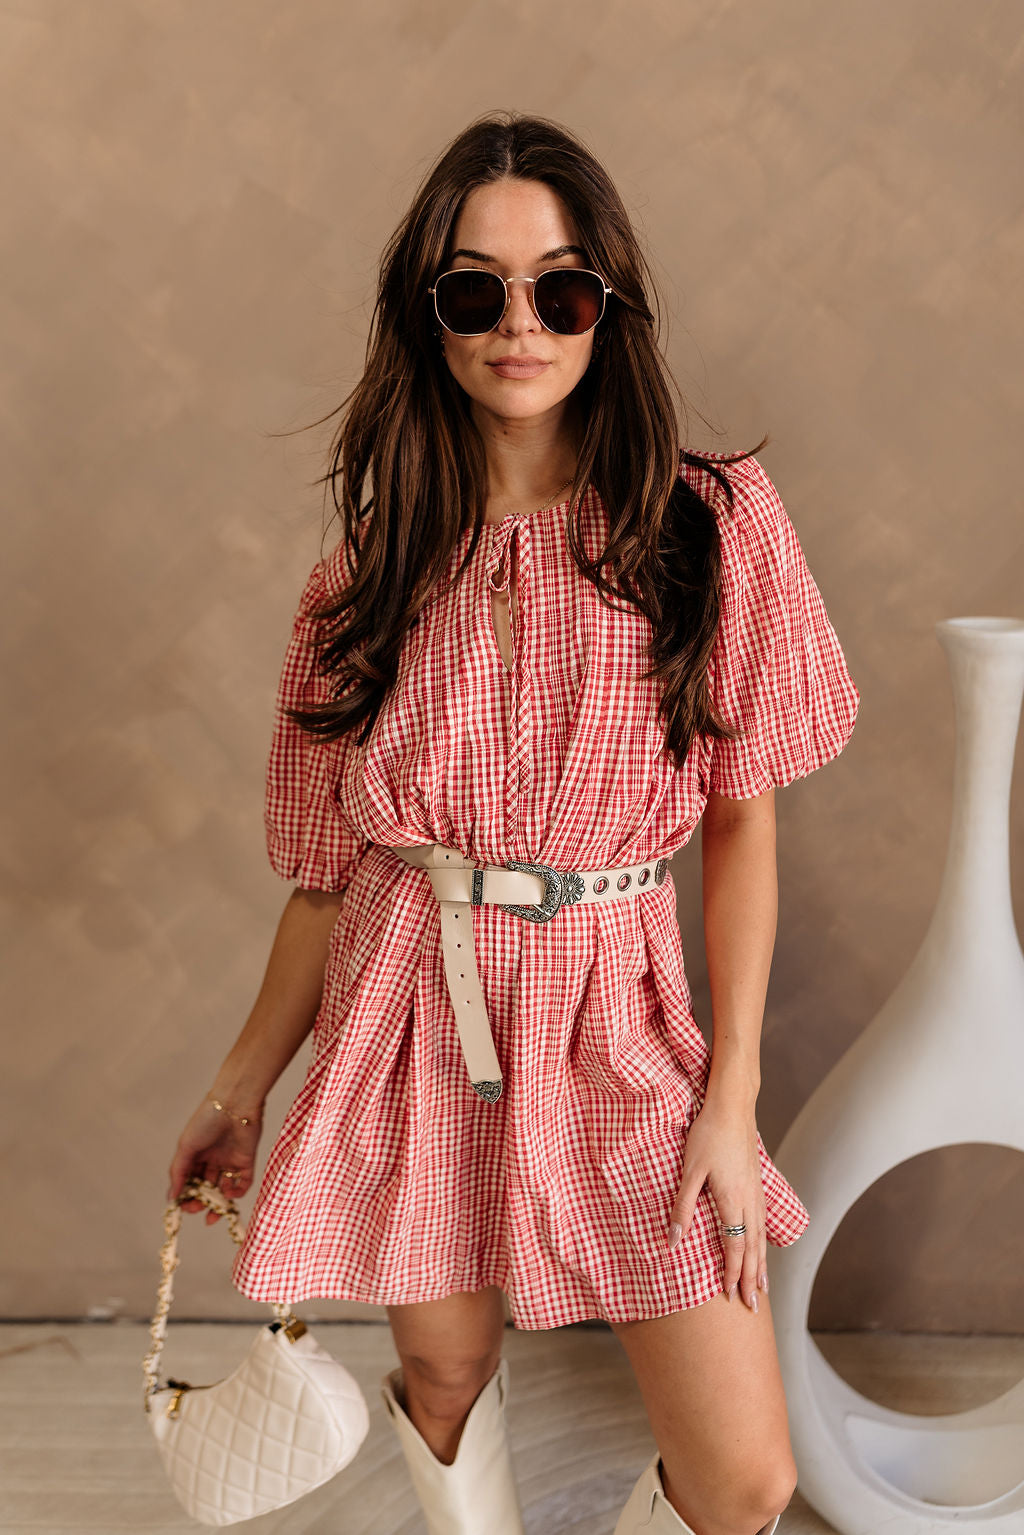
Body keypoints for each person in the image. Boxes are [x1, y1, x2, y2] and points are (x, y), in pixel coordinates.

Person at [168, 111, 858, 1535]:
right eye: (475, 291)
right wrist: (240, 1089)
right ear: (428, 315)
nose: (520, 326)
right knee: (444, 1364)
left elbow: (745, 824)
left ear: (612, 304)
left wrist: (728, 1105)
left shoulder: (709, 528)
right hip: (412, 1005)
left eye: (563, 289)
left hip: (620, 1013)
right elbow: (325, 878)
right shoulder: (366, 575)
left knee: (744, 1478)